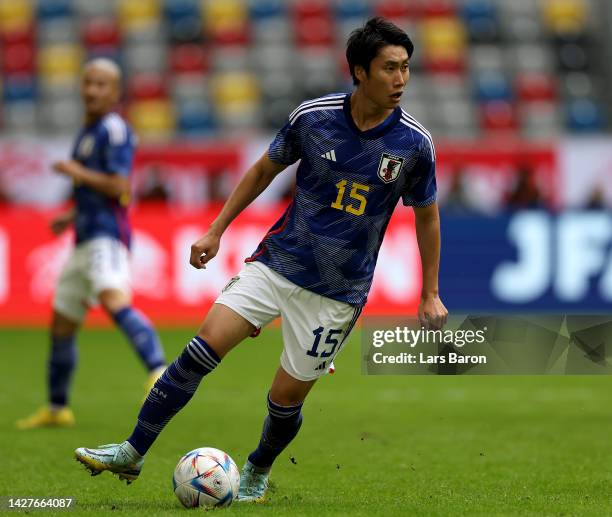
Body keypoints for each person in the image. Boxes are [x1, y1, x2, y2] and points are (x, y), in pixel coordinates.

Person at [74, 18, 448, 501]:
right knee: (201, 350)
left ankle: (258, 468)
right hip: (278, 262)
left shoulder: (414, 144)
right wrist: (216, 229)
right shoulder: (313, 118)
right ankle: (133, 450)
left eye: (406, 69)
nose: (401, 80)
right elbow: (263, 170)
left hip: (337, 291)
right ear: (359, 71)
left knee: (284, 400)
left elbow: (428, 218)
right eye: (389, 68)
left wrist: (431, 292)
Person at [16, 59, 167, 430]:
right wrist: (69, 215)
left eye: (101, 85)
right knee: (62, 321)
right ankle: (57, 408)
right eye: (88, 83)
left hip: (106, 236)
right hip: (83, 236)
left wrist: (74, 172)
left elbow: (119, 186)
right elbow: (96, 190)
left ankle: (159, 370)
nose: (92, 90)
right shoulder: (87, 132)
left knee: (114, 299)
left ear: (115, 93)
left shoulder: (114, 129)